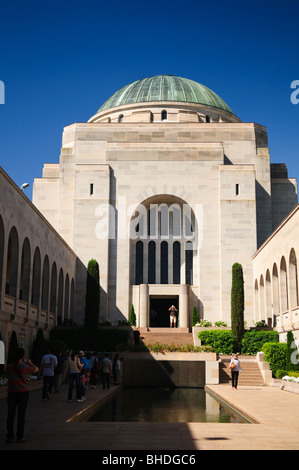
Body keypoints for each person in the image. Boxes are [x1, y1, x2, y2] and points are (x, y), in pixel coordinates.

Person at [6, 348, 39, 443]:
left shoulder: (9, 367)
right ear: (22, 356)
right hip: (23, 393)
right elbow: (36, 369)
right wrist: (30, 362)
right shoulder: (25, 367)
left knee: (10, 415)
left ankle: (9, 436)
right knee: (21, 415)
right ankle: (20, 436)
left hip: (11, 393)